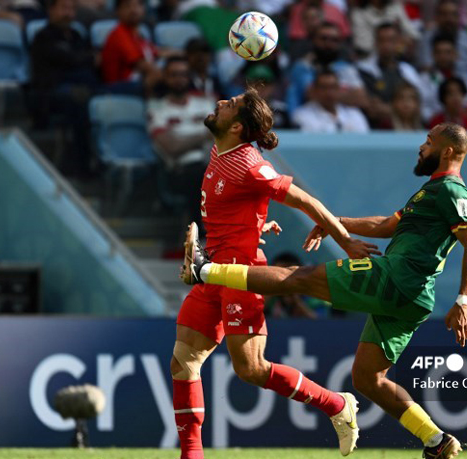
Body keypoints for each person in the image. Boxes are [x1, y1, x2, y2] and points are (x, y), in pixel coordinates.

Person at [181, 122, 467, 459]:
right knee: (367, 379)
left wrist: (463, 301)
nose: (421, 147)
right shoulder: (431, 191)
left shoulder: (453, 191)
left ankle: (205, 270)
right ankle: (435, 440)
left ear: (448, 151)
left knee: (300, 278)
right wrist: (335, 224)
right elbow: (385, 226)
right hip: (412, 298)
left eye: (429, 142)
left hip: (397, 278)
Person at [170, 89, 377, 459]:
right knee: (183, 362)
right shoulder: (221, 150)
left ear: (236, 126)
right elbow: (234, 204)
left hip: (242, 273)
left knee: (250, 369)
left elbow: (307, 201)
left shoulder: (251, 164)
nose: (220, 102)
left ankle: (336, 405)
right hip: (212, 268)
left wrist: (346, 243)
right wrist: (256, 224)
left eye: (229, 104)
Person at [30, 0, 98, 177]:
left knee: (92, 97)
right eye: (63, 8)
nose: (68, 13)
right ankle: (80, 165)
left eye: (72, 9)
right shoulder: (43, 36)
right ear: (51, 10)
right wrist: (83, 59)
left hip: (80, 87)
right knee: (78, 100)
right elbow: (70, 60)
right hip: (50, 92)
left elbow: (86, 60)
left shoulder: (76, 35)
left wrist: (81, 59)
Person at [147, 57, 214, 226]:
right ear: (165, 77)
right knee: (201, 176)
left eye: (184, 75)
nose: (179, 79)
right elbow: (171, 147)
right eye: (174, 75)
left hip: (210, 164)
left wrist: (184, 140)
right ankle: (202, 235)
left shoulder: (204, 104)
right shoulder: (157, 109)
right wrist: (204, 135)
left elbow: (222, 135)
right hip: (177, 172)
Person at [285, 20, 366, 116]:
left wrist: (327, 94)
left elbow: (362, 99)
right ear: (313, 40)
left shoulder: (346, 68)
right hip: (308, 122)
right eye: (324, 38)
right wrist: (348, 94)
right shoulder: (302, 67)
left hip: (343, 124)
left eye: (334, 40)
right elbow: (313, 95)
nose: (328, 43)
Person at [357, 22, 424, 127]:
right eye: (382, 40)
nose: (386, 45)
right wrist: (399, 109)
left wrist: (388, 109)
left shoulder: (408, 71)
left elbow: (417, 106)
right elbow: (372, 109)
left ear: (398, 43)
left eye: (391, 40)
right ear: (375, 43)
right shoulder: (364, 70)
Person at [418, 33, 467, 122]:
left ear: (455, 54)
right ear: (433, 55)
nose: (443, 57)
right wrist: (439, 116)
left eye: (447, 52)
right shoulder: (424, 79)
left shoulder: (465, 80)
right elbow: (421, 108)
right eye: (439, 52)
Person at [417, 0, 467, 81]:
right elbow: (425, 69)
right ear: (436, 17)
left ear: (459, 17)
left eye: (453, 14)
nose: (449, 19)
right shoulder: (427, 39)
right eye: (444, 14)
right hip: (436, 84)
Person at [101, 0, 160, 93]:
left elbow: (157, 52)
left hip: (136, 84)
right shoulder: (119, 34)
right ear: (118, 11)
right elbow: (143, 65)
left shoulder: (138, 35)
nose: (134, 10)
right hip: (118, 88)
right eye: (127, 5)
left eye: (138, 5)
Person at [292, 70, 370, 133]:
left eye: (333, 87)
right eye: (324, 88)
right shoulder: (302, 115)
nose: (329, 93)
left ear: (339, 89)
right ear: (314, 90)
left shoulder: (355, 115)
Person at [351, 0, 419, 57]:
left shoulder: (395, 7)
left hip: (400, 56)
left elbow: (413, 34)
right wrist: (392, 44)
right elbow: (364, 45)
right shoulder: (359, 13)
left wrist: (400, 44)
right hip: (371, 59)